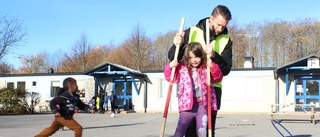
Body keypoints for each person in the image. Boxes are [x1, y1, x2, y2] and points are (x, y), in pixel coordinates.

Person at [167, 5, 232, 137]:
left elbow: (226, 69)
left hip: (212, 91)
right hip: (190, 92)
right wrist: (176, 45)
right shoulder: (192, 32)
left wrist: (214, 55)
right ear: (211, 18)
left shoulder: (226, 40)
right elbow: (173, 57)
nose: (220, 29)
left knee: (208, 131)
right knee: (190, 132)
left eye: (223, 26)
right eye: (218, 24)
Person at [164, 42, 223, 137]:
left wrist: (212, 66)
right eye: (191, 57)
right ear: (187, 57)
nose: (194, 60)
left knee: (202, 133)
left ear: (202, 56)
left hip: (202, 106)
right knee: (179, 132)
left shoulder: (206, 68)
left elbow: (218, 78)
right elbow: (170, 78)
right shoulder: (182, 69)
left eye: (197, 57)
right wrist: (170, 67)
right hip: (187, 107)